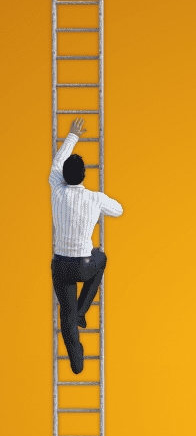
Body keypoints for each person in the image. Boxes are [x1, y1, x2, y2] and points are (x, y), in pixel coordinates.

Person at [50, 118, 123, 374]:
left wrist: (72, 136)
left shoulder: (55, 191)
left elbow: (57, 163)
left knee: (65, 318)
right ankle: (83, 309)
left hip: (61, 266)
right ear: (83, 175)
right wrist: (99, 201)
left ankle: (77, 362)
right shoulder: (94, 198)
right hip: (83, 266)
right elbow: (119, 210)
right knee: (100, 258)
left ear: (63, 177)